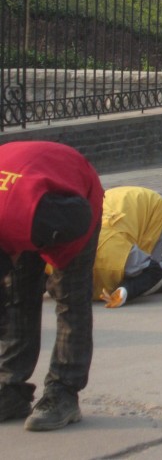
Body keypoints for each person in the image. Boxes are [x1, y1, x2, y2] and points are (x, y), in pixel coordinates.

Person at [0, 141, 103, 432]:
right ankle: (10, 388)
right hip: (22, 193)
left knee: (68, 296)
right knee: (16, 295)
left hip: (70, 198)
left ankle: (63, 393)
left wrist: (58, 263)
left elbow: (80, 217)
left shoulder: (57, 218)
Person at [93, 186, 162, 308]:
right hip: (119, 201)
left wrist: (125, 291)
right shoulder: (71, 248)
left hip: (154, 206)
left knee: (151, 282)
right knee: (132, 269)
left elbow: (153, 272)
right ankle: (147, 256)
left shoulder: (112, 253)